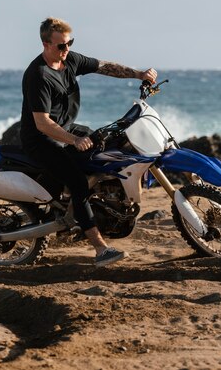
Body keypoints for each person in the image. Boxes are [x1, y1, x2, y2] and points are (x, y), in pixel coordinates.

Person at [20, 17, 157, 267]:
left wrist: (138, 74)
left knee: (106, 144)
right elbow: (42, 123)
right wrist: (74, 140)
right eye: (61, 45)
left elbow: (104, 66)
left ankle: (86, 208)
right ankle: (100, 249)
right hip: (41, 139)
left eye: (69, 43)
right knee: (78, 182)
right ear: (45, 44)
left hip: (66, 129)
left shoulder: (69, 60)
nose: (67, 49)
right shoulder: (37, 75)